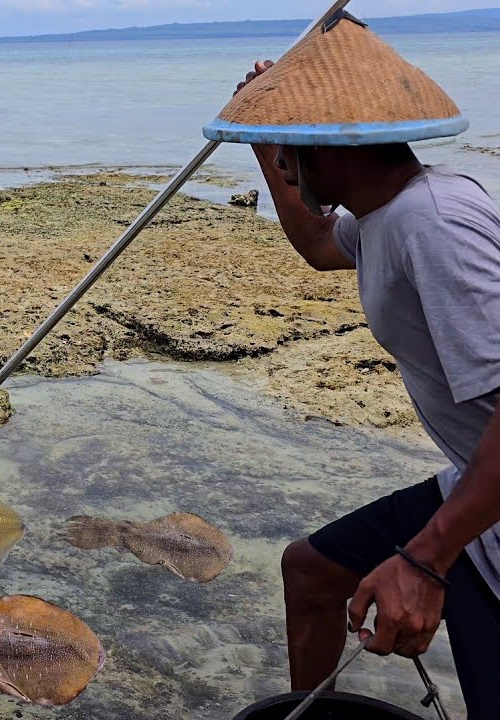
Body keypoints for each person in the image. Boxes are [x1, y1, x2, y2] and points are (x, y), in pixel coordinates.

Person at [232, 49, 500, 715]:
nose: (290, 166)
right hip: (477, 477)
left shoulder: (431, 224)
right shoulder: (384, 211)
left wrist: (427, 558)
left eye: (294, 148)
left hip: (488, 506)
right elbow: (320, 244)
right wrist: (266, 142)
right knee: (312, 573)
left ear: (332, 151)